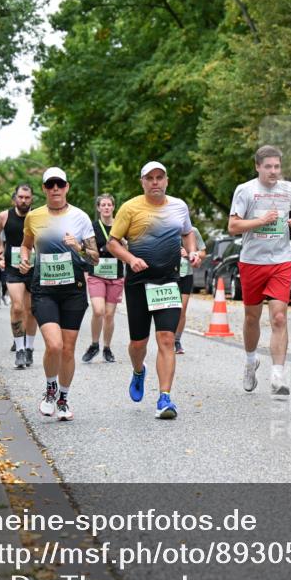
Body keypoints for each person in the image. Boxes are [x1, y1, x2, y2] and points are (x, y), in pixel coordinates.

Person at [107, 161, 200, 420]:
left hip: (168, 282)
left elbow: (188, 232)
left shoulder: (179, 206)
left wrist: (192, 251)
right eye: (150, 178)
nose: (155, 182)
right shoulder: (130, 208)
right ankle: (138, 370)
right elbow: (112, 243)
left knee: (167, 339)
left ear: (167, 180)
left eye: (160, 177)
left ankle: (165, 398)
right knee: (139, 343)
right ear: (143, 182)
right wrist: (130, 259)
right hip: (138, 283)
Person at [19, 167, 98, 421]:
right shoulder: (34, 216)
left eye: (59, 184)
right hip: (44, 290)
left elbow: (94, 259)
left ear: (67, 187)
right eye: (50, 184)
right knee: (54, 345)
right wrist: (24, 259)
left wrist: (78, 246)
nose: (55, 189)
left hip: (73, 290)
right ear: (43, 188)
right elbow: (26, 244)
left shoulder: (81, 217)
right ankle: (50, 389)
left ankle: (63, 398)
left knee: (68, 349)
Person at [227, 145, 291, 396]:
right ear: (258, 167)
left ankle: (278, 375)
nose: (273, 171)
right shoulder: (246, 190)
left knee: (279, 317)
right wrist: (260, 221)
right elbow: (233, 226)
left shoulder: (288, 189)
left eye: (277, 166)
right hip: (252, 262)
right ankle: (251, 362)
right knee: (252, 317)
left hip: (280, 261)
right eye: (268, 167)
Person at [0, 184, 38, 369]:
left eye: (27, 197)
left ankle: (29, 348)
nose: (24, 200)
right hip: (13, 268)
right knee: (18, 307)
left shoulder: (37, 217)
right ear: (15, 198)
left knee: (32, 310)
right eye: (20, 197)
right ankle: (19, 350)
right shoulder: (4, 216)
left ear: (32, 199)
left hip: (34, 268)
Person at [82, 194, 125, 363]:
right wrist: (86, 271)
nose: (106, 207)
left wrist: (124, 242)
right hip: (97, 274)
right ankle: (94, 344)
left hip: (115, 274)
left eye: (109, 204)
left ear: (113, 207)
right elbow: (87, 251)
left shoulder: (120, 226)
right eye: (103, 205)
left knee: (109, 314)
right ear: (98, 208)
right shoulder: (92, 227)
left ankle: (107, 347)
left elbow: (127, 249)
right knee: (98, 310)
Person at [174, 225, 206, 354]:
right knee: (169, 309)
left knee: (182, 310)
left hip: (186, 274)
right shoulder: (167, 228)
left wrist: (190, 254)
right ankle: (167, 337)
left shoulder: (193, 231)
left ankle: (177, 340)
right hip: (169, 275)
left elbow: (203, 252)